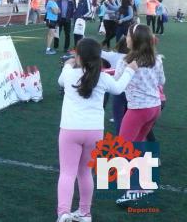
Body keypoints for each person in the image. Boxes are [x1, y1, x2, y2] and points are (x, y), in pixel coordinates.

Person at [56, 38, 136, 222]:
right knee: (85, 173)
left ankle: (63, 213)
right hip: (94, 131)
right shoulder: (104, 77)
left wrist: (68, 64)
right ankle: (85, 213)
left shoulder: (68, 75)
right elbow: (118, 88)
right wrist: (130, 70)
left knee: (67, 173)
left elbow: (61, 80)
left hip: (70, 129)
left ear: (79, 56)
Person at [115, 24, 165, 206]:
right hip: (154, 108)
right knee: (139, 143)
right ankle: (145, 183)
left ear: (134, 40)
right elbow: (161, 81)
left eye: (128, 36)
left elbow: (117, 83)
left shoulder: (125, 61)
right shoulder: (157, 59)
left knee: (123, 148)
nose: (125, 38)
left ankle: (133, 190)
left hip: (138, 110)